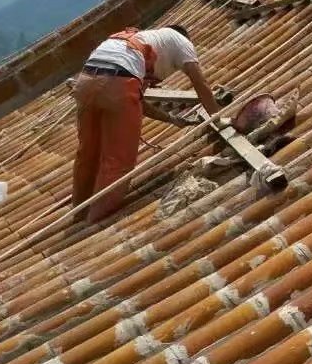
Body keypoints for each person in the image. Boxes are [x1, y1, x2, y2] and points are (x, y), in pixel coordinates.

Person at [71, 24, 220, 223]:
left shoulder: (138, 42)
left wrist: (171, 119)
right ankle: (93, 222)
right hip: (119, 83)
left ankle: (78, 213)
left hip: (85, 82)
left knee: (88, 153)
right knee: (117, 162)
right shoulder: (182, 41)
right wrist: (218, 118)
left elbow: (137, 101)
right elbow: (200, 83)